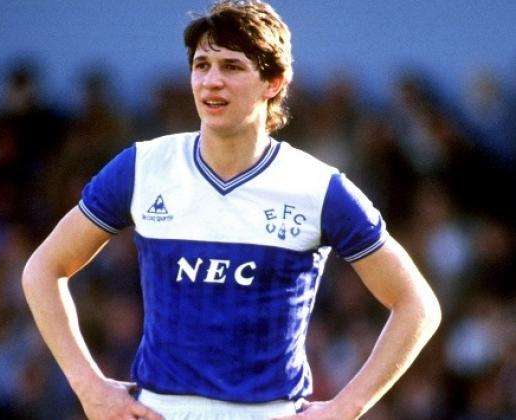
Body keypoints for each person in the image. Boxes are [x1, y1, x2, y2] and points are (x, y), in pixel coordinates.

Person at [22, 1, 441, 419]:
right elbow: (43, 268)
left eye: (232, 67)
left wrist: (345, 408)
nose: (212, 82)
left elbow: (416, 304)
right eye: (201, 65)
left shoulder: (318, 187)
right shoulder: (143, 167)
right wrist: (88, 386)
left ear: (273, 82)